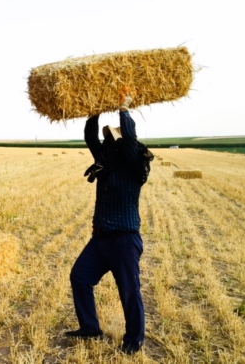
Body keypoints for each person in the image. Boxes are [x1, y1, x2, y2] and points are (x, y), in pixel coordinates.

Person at [66, 93, 146, 355]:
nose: (110, 144)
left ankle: (134, 341)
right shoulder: (107, 163)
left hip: (124, 240)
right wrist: (94, 110)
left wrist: (124, 110)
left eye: (116, 140)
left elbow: (131, 142)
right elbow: (91, 137)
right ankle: (90, 327)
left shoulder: (136, 167)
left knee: (129, 292)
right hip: (100, 239)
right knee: (80, 277)